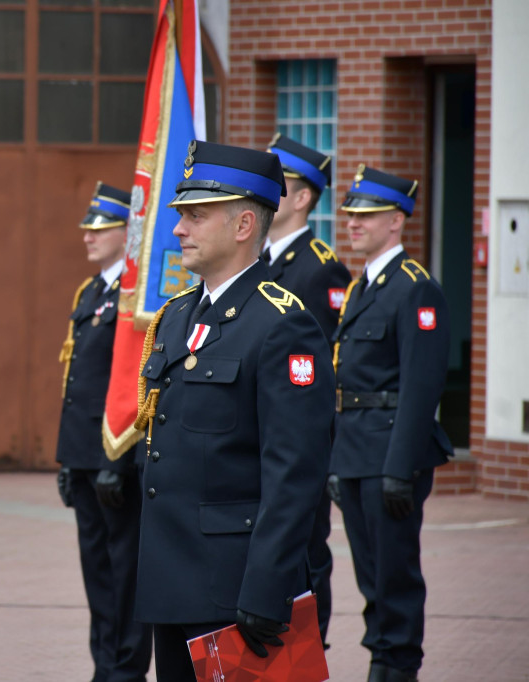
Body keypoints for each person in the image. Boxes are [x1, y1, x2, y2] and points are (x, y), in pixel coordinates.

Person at [132, 140, 335, 680]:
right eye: (181, 217)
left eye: (195, 216)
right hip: (171, 585)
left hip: (236, 592)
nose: (179, 230)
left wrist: (268, 588)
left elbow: (295, 474)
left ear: (244, 224)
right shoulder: (176, 316)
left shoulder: (281, 324)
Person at [329, 165, 452, 682]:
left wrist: (399, 467)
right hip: (356, 451)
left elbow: (421, 386)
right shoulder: (362, 288)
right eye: (352, 214)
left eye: (368, 215)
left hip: (388, 455)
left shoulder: (414, 288)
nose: (354, 223)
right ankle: (383, 655)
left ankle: (396, 664)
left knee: (394, 573)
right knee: (370, 575)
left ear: (397, 220)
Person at [56, 182, 152, 682]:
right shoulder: (90, 292)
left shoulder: (135, 299)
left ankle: (126, 670)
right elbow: (77, 382)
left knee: (124, 573)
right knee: (96, 574)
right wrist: (68, 461)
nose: (89, 237)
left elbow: (132, 384)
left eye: (101, 228)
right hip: (83, 457)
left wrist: (117, 461)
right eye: (88, 228)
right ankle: (104, 667)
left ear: (128, 232)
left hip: (115, 458)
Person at [263, 133, 352, 646]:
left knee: (305, 556)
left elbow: (321, 372)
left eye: (279, 185)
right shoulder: (260, 262)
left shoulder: (320, 268)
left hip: (299, 443)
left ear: (302, 199)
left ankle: (306, 654)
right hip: (263, 437)